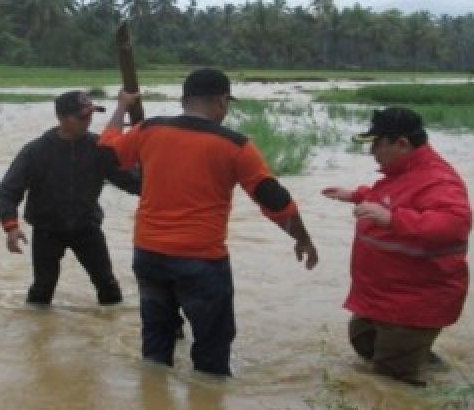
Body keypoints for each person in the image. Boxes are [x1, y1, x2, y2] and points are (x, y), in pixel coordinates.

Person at [99, 68, 318, 377]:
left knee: (156, 343)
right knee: (212, 353)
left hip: (149, 254)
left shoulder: (149, 130)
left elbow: (107, 154)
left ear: (184, 99)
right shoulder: (235, 145)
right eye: (226, 103)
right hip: (201, 259)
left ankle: (152, 408)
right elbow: (272, 198)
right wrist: (302, 238)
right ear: (220, 102)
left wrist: (121, 107)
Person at [322, 107, 472, 386]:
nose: (372, 153)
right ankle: (428, 366)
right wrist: (356, 196)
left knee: (392, 382)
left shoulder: (439, 179)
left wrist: (393, 219)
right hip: (383, 296)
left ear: (402, 143)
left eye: (377, 144)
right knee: (362, 338)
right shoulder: (402, 172)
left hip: (413, 301)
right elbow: (394, 197)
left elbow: (453, 224)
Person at [0, 90, 141, 306]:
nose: (88, 121)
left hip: (87, 227)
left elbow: (128, 181)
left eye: (91, 115)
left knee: (108, 286)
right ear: (62, 119)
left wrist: (154, 183)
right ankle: (38, 334)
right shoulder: (36, 151)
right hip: (47, 230)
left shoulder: (98, 148)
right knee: (42, 289)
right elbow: (8, 191)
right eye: (82, 117)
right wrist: (11, 227)